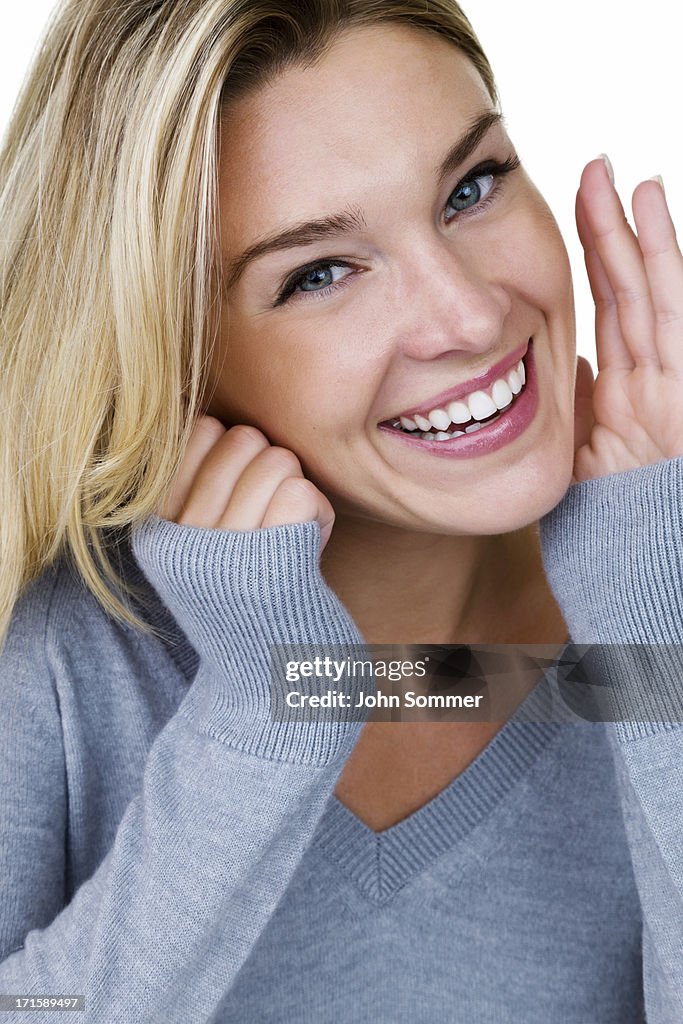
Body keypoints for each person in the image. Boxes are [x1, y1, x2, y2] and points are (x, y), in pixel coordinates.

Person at [1, 0, 682, 1020]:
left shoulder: (654, 603)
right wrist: (256, 716)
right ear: (171, 360)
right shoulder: (58, 655)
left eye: (470, 187)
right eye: (321, 273)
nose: (468, 314)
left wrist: (647, 650)